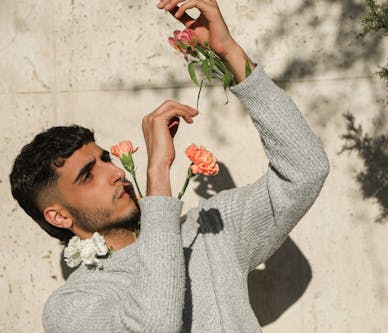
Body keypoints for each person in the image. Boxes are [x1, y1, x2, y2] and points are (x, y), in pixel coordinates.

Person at [9, 0, 330, 331]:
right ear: (59, 216)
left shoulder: (207, 234)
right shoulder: (71, 307)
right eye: (88, 176)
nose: (116, 172)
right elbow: (154, 325)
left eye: (106, 159)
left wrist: (229, 51)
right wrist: (157, 172)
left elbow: (305, 172)